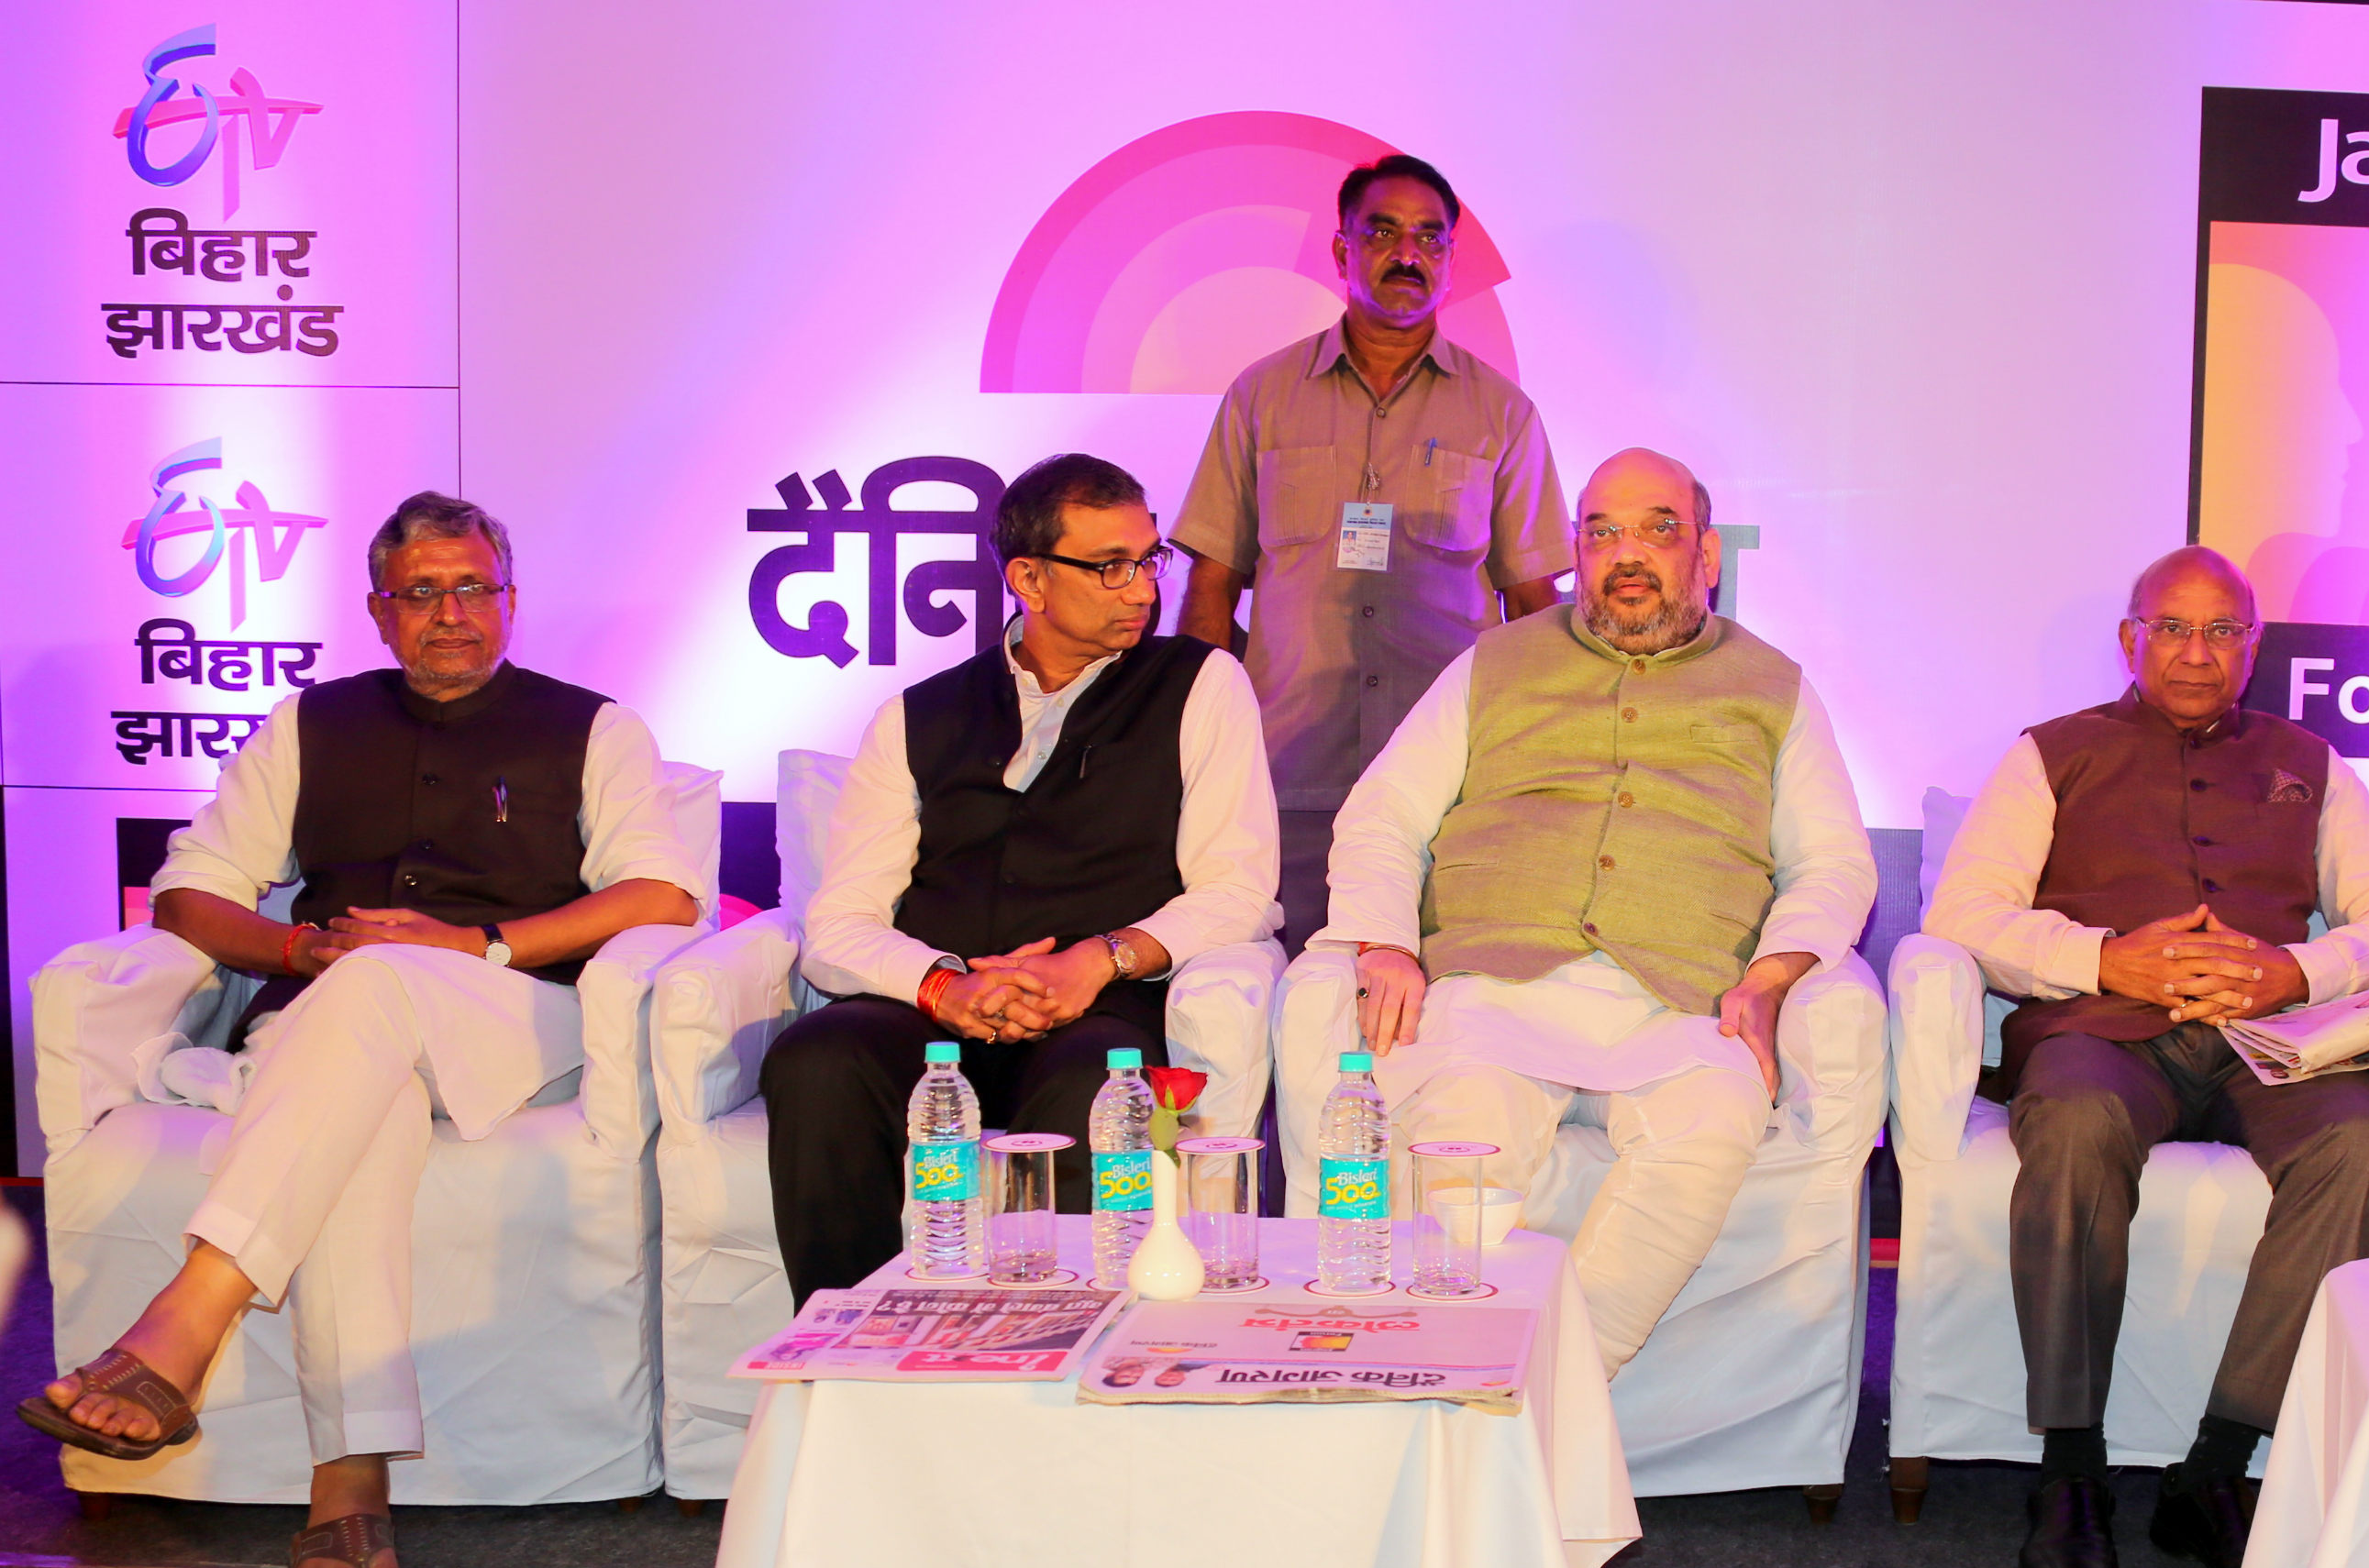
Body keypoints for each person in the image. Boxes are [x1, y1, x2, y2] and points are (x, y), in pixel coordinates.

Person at [17, 491, 706, 1568]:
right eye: (421, 594)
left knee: (379, 982)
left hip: (512, 1015)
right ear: (379, 613)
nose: (450, 614)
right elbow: (190, 892)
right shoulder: (308, 725)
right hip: (341, 1028)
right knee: (361, 1093)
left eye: (472, 588)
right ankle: (350, 1488)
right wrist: (294, 945)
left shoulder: (592, 726)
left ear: (511, 601)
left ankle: (187, 1314)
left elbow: (662, 893)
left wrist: (476, 941)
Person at [1926, 546, 2369, 1568]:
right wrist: (2107, 958)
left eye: (2220, 632)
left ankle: (2214, 1467)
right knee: (2064, 1122)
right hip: (2106, 1036)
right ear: (2130, 638)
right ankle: (2069, 1470)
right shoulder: (2050, 755)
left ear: (2253, 648)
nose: (2195, 653)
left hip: (2270, 1044)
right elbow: (1963, 917)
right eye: (2171, 628)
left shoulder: (2314, 761)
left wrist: (2296, 968)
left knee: (2365, 1141)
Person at [1327, 446, 1873, 1373]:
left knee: (1708, 1135)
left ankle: (1541, 1395)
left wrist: (1775, 975)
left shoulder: (1773, 685)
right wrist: (1383, 943)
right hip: (1496, 989)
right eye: (1602, 530)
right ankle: (1478, 1385)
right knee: (1464, 1150)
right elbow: (1384, 816)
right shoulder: (1492, 663)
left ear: (1706, 554)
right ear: (1576, 550)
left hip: (1682, 998)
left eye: (1659, 528)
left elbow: (1830, 863)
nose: (1629, 552)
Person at [759, 453, 1279, 1300]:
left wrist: (1096, 961)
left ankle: (1056, 1352)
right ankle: (846, 1342)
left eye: (1151, 560)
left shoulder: (1198, 685)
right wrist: (943, 988)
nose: (1142, 588)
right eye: (1111, 567)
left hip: (1099, 1005)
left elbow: (1238, 889)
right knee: (815, 1059)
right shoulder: (915, 715)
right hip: (941, 1008)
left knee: (1097, 1087)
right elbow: (841, 923)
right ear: (1029, 579)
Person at [1172, 152, 1571, 952]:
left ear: (1451, 262)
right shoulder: (1263, 396)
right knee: (1272, 1004)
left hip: (1443, 783)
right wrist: (1190, 749)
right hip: (1284, 774)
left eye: (1431, 238)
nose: (1408, 254)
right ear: (1342, 250)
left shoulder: (1503, 415)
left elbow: (1533, 608)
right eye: (1383, 232)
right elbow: (1213, 583)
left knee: (1421, 1011)